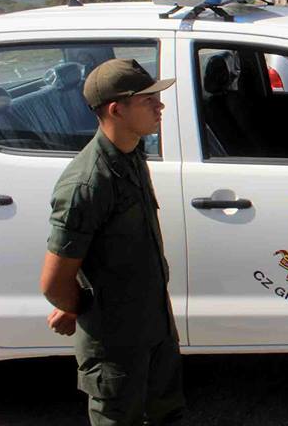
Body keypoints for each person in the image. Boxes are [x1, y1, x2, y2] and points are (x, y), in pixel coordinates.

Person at [40, 59, 184, 426]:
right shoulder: (87, 183)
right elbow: (54, 282)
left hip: (154, 330)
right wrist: (79, 306)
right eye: (147, 100)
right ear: (116, 109)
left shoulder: (131, 152)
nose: (160, 106)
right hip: (117, 349)